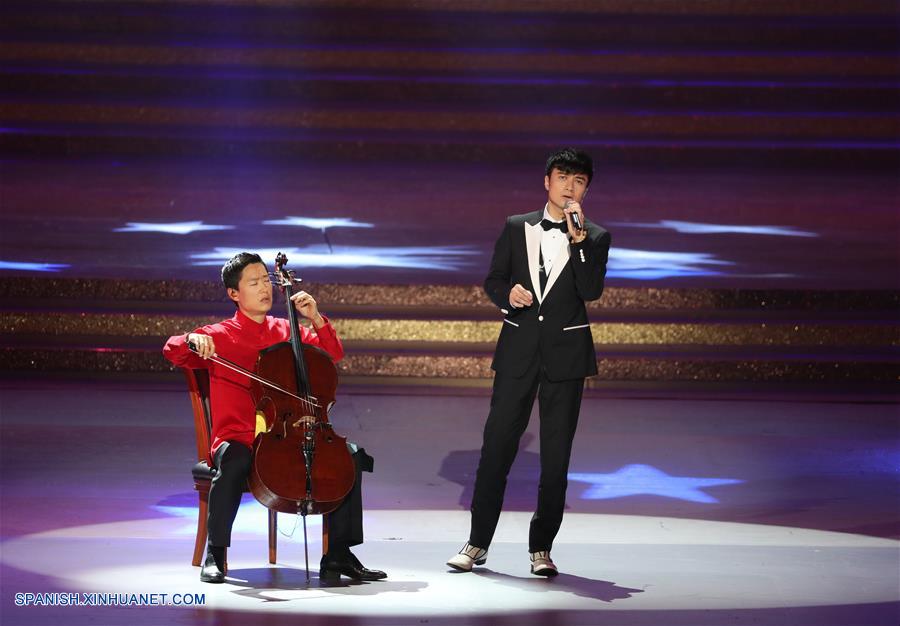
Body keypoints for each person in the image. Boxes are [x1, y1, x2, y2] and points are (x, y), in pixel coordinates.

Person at [164, 252, 387, 584]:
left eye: (266, 280)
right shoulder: (220, 335)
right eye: (254, 283)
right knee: (236, 458)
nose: (264, 288)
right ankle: (217, 553)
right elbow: (173, 350)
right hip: (239, 439)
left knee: (349, 456)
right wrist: (191, 340)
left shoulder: (286, 329)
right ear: (234, 294)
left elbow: (333, 354)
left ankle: (339, 554)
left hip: (289, 437)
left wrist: (316, 319)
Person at [447, 148, 611, 577]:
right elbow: (494, 279)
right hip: (519, 352)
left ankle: (542, 548)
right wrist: (509, 296)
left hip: (566, 358)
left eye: (578, 182)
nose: (569, 187)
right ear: (547, 181)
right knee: (496, 448)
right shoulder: (516, 226)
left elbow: (590, 290)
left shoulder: (595, 237)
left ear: (586, 189)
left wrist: (578, 243)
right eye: (563, 178)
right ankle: (476, 543)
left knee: (556, 458)